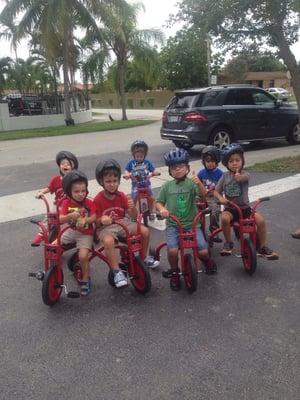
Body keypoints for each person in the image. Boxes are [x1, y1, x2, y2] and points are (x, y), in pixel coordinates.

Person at [155, 148, 218, 291]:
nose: (177, 170)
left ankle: (208, 262)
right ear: (170, 171)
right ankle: (175, 272)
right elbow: (158, 202)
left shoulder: (191, 184)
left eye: (180, 166)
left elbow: (203, 196)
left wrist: (199, 183)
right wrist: (162, 209)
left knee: (202, 251)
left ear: (187, 168)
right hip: (173, 225)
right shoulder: (167, 186)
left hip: (192, 224)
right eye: (173, 167)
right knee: (172, 251)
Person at [94, 159, 159, 288]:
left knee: (144, 231)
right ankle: (116, 271)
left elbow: (134, 217)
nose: (112, 184)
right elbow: (95, 222)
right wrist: (101, 220)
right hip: (106, 228)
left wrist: (132, 208)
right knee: (108, 241)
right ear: (101, 182)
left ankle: (143, 257)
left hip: (123, 223)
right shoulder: (98, 199)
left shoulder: (122, 196)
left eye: (114, 181)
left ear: (118, 181)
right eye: (108, 181)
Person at [214, 143, 279, 259]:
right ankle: (228, 243)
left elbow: (244, 178)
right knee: (224, 219)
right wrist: (220, 198)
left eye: (237, 160)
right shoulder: (224, 176)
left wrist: (239, 177)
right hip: (231, 209)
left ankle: (262, 247)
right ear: (226, 164)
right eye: (231, 161)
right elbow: (216, 191)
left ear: (242, 161)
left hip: (245, 209)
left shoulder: (245, 174)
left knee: (261, 221)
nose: (234, 163)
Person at [59, 170, 97, 296]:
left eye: (83, 191)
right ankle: (53, 272)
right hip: (71, 230)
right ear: (69, 192)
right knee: (53, 246)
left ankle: (85, 279)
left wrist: (86, 219)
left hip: (85, 234)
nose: (81, 194)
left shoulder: (89, 203)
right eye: (76, 191)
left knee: (83, 256)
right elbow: (60, 219)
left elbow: (94, 217)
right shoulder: (66, 203)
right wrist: (70, 216)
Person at [31, 150, 79, 246]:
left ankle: (84, 236)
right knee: (50, 216)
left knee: (79, 220)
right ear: (59, 166)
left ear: (74, 167)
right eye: (62, 164)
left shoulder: (76, 179)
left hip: (72, 205)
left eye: (68, 164)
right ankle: (42, 233)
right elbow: (49, 188)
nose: (65, 166)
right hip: (59, 206)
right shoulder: (56, 179)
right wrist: (42, 192)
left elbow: (81, 191)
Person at [123, 140, 160, 217]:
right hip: (136, 185)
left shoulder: (147, 163)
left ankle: (151, 212)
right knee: (133, 199)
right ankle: (132, 213)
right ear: (134, 155)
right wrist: (127, 174)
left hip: (146, 184)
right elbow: (126, 170)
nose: (139, 158)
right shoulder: (131, 163)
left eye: (141, 156)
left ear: (145, 155)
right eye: (137, 156)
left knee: (151, 198)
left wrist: (155, 172)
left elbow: (153, 170)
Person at [197, 145, 223, 243]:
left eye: (213, 161)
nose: (210, 164)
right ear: (204, 162)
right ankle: (197, 228)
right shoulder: (201, 173)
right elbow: (196, 186)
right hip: (202, 196)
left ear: (217, 162)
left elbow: (222, 187)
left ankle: (214, 230)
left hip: (213, 197)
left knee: (215, 210)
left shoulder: (220, 174)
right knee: (194, 208)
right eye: (208, 161)